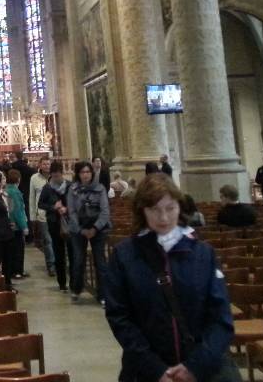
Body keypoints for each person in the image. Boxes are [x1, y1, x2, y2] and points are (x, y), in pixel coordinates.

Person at [103, 173, 237, 382]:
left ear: (179, 207)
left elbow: (221, 317)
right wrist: (156, 369)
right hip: (146, 371)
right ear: (142, 210)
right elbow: (120, 317)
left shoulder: (203, 254)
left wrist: (195, 366)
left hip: (201, 369)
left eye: (170, 208)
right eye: (155, 210)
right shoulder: (124, 256)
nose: (164, 218)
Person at [66, 160, 110, 303]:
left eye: (88, 172)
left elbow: (105, 211)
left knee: (100, 261)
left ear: (92, 173)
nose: (85, 175)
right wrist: (81, 229)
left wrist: (95, 228)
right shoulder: (73, 189)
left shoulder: (100, 188)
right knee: (79, 259)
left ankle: (103, 294)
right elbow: (71, 211)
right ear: (78, 174)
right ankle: (76, 289)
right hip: (78, 228)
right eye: (82, 172)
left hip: (97, 228)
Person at [38, 159, 71, 293]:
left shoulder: (69, 186)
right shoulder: (47, 188)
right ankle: (62, 283)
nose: (56, 178)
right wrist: (53, 207)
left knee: (72, 252)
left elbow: (76, 202)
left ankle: (73, 281)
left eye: (58, 175)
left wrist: (67, 208)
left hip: (69, 222)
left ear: (62, 174)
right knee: (58, 253)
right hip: (54, 223)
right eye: (54, 176)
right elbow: (41, 204)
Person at [29, 157, 55, 276]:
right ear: (40, 165)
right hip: (42, 214)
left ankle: (57, 262)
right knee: (47, 240)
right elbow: (32, 197)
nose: (46, 166)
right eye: (44, 164)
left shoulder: (54, 176)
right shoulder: (34, 178)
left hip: (54, 213)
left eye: (48, 164)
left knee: (55, 240)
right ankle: (51, 265)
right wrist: (33, 216)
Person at [5, 169, 29, 281]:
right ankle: (17, 271)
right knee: (18, 249)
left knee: (12, 249)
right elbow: (17, 211)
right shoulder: (15, 192)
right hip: (16, 225)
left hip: (9, 223)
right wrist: (24, 226)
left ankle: (14, 270)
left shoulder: (6, 190)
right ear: (18, 179)